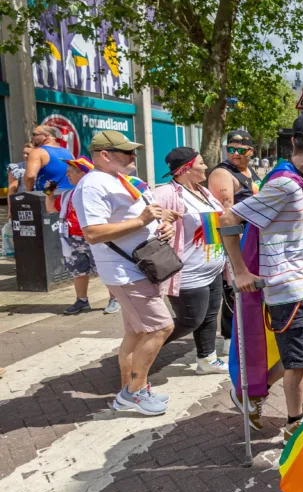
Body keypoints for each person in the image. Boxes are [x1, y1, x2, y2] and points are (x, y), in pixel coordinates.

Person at [220, 115, 303, 439]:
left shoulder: (294, 180)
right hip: (287, 289)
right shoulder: (284, 184)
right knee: (297, 361)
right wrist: (240, 271)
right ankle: (294, 424)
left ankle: (252, 392)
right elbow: (228, 217)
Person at [73, 130, 176, 414]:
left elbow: (137, 220)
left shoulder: (116, 179)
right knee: (161, 327)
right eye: (127, 152)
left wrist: (159, 225)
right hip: (126, 272)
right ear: (105, 155)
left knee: (136, 333)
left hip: (138, 268)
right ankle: (133, 393)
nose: (133, 157)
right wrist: (143, 220)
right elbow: (92, 232)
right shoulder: (93, 184)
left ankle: (131, 389)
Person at [153, 148, 228, 374]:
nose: (206, 167)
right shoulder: (167, 193)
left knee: (209, 315)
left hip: (213, 268)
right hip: (188, 272)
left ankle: (207, 360)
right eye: (201, 163)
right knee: (189, 320)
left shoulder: (202, 191)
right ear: (186, 168)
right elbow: (146, 218)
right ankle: (142, 351)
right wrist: (161, 226)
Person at [208, 129, 261, 358]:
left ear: (251, 151)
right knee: (233, 291)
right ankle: (231, 341)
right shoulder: (223, 173)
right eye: (231, 149)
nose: (235, 154)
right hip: (236, 240)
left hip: (253, 238)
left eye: (241, 150)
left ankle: (247, 336)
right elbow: (226, 213)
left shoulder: (250, 171)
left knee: (248, 291)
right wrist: (236, 252)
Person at [44, 157, 120, 316]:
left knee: (105, 269)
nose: (67, 176)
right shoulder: (67, 195)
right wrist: (49, 193)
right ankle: (82, 300)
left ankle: (115, 298)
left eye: (70, 172)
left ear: (83, 174)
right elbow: (51, 208)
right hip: (72, 239)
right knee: (77, 271)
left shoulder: (94, 192)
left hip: (95, 237)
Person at [24, 125, 73, 192]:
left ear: (46, 136)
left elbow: (30, 176)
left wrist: (29, 191)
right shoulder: (69, 153)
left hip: (49, 197)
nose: (32, 137)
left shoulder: (37, 152)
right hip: (70, 195)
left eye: (34, 134)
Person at [6, 142, 34, 218]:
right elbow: (12, 190)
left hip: (38, 202)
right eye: (24, 153)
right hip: (22, 204)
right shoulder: (17, 167)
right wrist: (10, 209)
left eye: (28, 154)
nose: (25, 156)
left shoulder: (43, 167)